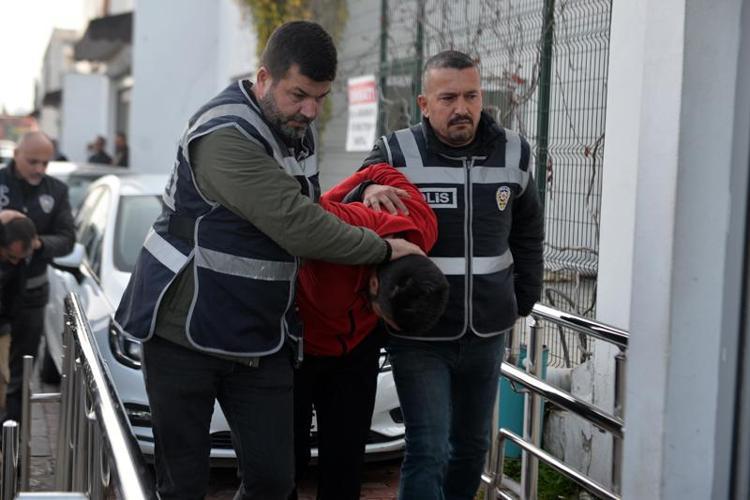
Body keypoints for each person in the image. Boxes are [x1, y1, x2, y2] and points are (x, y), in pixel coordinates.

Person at [114, 21, 423, 500]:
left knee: (274, 481)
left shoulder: (295, 128)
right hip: (184, 332)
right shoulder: (224, 134)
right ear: (263, 79)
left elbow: (312, 206)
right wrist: (384, 247)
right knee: (183, 486)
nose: (310, 110)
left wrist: (364, 189)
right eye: (299, 94)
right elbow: (296, 224)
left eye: (320, 97)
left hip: (259, 334)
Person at [359, 50, 545, 499]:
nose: (462, 108)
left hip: (487, 331)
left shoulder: (515, 152)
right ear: (424, 104)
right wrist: (369, 185)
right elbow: (352, 199)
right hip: (419, 335)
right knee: (429, 448)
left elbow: (528, 232)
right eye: (448, 98)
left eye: (471, 96)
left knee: (472, 447)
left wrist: (524, 297)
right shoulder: (396, 151)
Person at [291, 162, 449, 500]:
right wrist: (361, 190)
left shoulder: (422, 224)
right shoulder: (339, 232)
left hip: (356, 354)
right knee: (288, 460)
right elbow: (307, 209)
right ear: (373, 284)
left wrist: (372, 184)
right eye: (383, 316)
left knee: (346, 461)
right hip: (299, 350)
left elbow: (381, 169)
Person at [0, 132, 75, 423]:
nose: (39, 169)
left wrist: (38, 244)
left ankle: (14, 433)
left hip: (32, 293)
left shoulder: (56, 190)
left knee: (22, 369)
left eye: (45, 163)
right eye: (32, 161)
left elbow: (67, 239)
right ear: (16, 154)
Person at [0, 211, 36, 414]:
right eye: (11, 256)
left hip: (2, 327)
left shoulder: (18, 265)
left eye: (20, 258)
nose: (14, 262)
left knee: (3, 380)